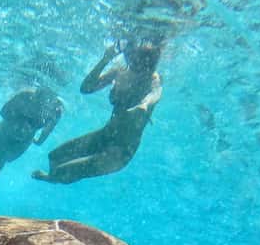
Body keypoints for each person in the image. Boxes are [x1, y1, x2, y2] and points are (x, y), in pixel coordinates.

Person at [32, 39, 163, 185]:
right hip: (105, 135)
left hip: (120, 151)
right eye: (130, 53)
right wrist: (105, 59)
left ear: (148, 62)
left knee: (63, 170)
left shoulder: (152, 79)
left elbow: (155, 93)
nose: (131, 59)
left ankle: (55, 177)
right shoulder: (119, 72)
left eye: (137, 58)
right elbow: (86, 88)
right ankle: (57, 177)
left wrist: (144, 104)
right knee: (54, 157)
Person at [0, 88, 64, 214]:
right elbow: (3, 112)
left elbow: (44, 136)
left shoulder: (56, 110)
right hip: (3, 134)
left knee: (7, 160)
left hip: (23, 142)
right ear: (36, 94)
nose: (40, 102)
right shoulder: (25, 96)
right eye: (38, 97)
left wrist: (33, 134)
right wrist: (21, 119)